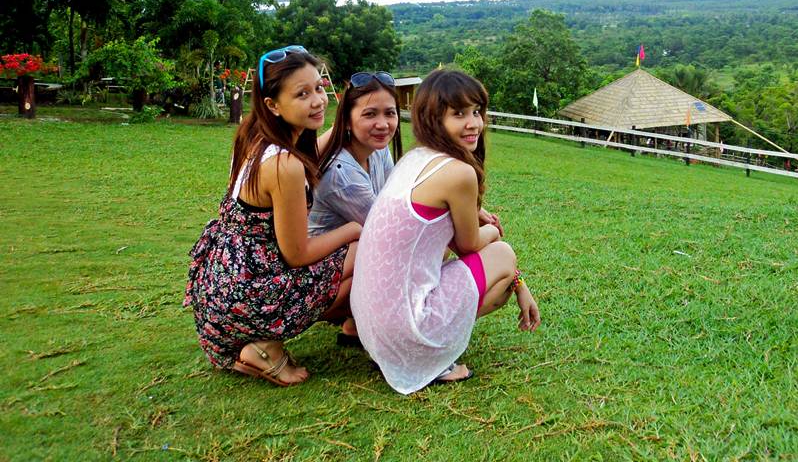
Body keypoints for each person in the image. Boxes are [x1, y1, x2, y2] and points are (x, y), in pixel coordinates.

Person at [350, 69, 540, 394]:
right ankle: (430, 357)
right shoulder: (458, 173)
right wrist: (493, 232)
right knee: (502, 255)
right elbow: (468, 246)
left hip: (371, 327)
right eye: (459, 114)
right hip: (404, 328)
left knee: (495, 267)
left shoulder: (414, 158)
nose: (473, 123)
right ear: (434, 118)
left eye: (477, 112)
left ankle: (413, 349)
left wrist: (519, 280)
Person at [183, 46, 361, 386]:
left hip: (222, 286)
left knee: (349, 268)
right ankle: (265, 346)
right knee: (365, 251)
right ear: (273, 105)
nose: (318, 100)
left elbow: (317, 144)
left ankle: (257, 342)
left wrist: (348, 125)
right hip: (249, 295)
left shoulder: (253, 137)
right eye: (302, 94)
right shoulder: (285, 166)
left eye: (320, 88)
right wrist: (353, 229)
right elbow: (297, 254)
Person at [308, 71, 401, 233]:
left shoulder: (378, 148)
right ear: (347, 121)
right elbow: (387, 229)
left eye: (390, 113)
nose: (383, 124)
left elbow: (392, 196)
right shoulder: (341, 175)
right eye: (370, 114)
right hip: (329, 256)